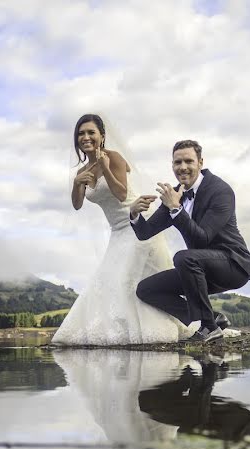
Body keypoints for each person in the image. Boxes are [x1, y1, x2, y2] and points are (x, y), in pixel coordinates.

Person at [51, 115, 184, 346]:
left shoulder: (114, 158)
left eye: (91, 132)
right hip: (117, 232)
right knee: (108, 281)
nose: (86, 137)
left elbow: (121, 193)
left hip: (138, 223)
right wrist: (76, 183)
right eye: (81, 134)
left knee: (127, 280)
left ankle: (163, 328)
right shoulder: (83, 171)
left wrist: (105, 168)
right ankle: (119, 332)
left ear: (102, 136)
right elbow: (77, 204)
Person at [129, 140, 250, 342]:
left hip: (233, 265)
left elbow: (203, 238)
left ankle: (209, 328)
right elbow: (145, 232)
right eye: (177, 162)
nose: (182, 167)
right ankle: (213, 319)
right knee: (146, 289)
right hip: (198, 269)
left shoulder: (220, 191)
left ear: (200, 162)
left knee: (184, 258)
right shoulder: (175, 195)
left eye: (188, 161)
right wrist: (134, 214)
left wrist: (176, 209)